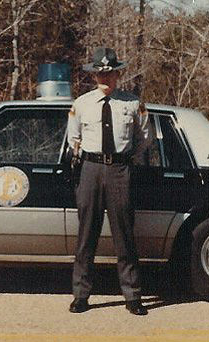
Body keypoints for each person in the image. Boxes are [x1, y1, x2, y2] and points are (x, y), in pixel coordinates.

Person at [67, 47, 150, 316]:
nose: (105, 79)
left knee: (124, 236)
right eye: (100, 74)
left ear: (118, 74)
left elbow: (144, 139)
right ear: (94, 77)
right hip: (90, 169)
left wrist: (127, 161)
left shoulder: (132, 104)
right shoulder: (81, 104)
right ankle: (81, 295)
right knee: (86, 236)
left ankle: (133, 295)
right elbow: (74, 138)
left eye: (110, 73)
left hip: (119, 171)